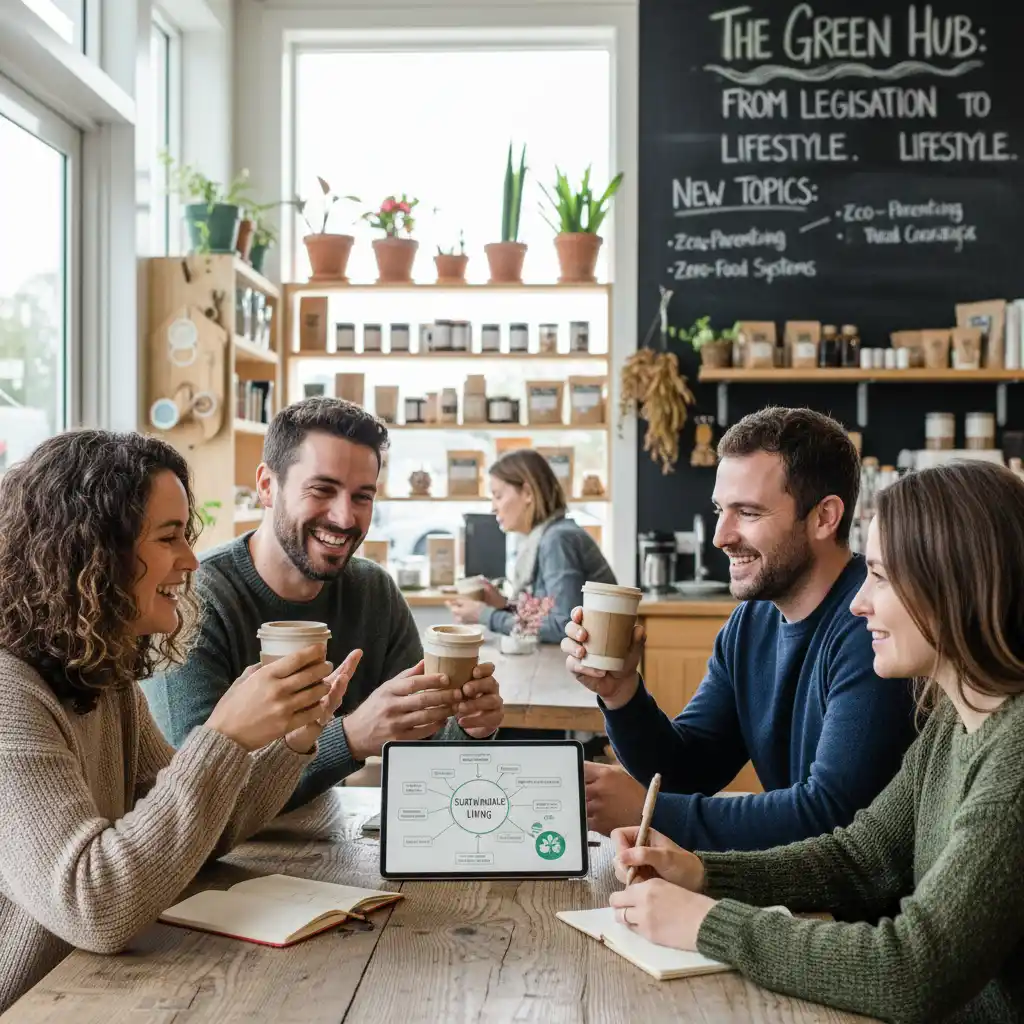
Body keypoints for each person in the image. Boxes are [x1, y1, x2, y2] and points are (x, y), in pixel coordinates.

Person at [607, 460, 1024, 1024]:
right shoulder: (956, 713)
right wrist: (702, 873)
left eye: (880, 576)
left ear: (955, 583)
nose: (860, 602)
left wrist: (708, 923)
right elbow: (862, 857)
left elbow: (912, 972)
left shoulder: (1014, 759)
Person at [0, 430, 360, 1013]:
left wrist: (292, 742)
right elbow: (93, 906)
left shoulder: (102, 676)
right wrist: (222, 738)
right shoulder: (9, 696)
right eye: (170, 537)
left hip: (90, 992)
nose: (192, 560)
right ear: (92, 552)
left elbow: (201, 837)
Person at [563, 407, 916, 849]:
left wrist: (647, 811)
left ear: (825, 517)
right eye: (720, 510)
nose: (720, 536)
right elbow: (687, 770)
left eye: (747, 512)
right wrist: (621, 694)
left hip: (857, 909)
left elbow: (830, 814)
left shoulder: (874, 627)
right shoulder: (752, 621)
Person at [143, 398, 503, 810]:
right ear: (266, 486)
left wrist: (470, 729)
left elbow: (430, 758)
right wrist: (350, 738)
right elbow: (192, 798)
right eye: (322, 490)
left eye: (362, 497)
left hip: (322, 840)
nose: (345, 518)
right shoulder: (189, 600)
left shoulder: (374, 593)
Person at [449, 448, 615, 642]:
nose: (493, 507)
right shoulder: (550, 536)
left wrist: (486, 615)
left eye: (498, 495)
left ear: (527, 493)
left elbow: (564, 627)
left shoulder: (558, 540)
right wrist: (503, 605)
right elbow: (549, 614)